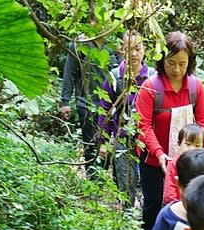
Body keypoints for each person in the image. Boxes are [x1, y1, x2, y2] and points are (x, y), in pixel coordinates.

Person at [135, 31, 204, 230]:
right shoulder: (150, 88)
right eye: (171, 63)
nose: (176, 69)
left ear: (190, 62)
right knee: (153, 201)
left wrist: (202, 152)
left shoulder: (196, 87)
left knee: (184, 201)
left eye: (182, 63)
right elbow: (143, 125)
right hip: (153, 159)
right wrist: (159, 154)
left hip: (187, 158)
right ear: (162, 60)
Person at [97, 30, 154, 206]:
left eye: (138, 48)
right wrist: (103, 141)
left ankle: (148, 222)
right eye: (130, 49)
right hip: (122, 138)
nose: (134, 54)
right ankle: (127, 220)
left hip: (149, 140)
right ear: (122, 50)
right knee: (125, 182)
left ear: (144, 48)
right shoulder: (115, 77)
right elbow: (105, 110)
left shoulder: (152, 77)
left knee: (148, 184)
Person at [60, 34, 119, 172]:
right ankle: (93, 185)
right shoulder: (81, 44)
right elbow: (69, 73)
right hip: (86, 104)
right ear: (92, 21)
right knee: (91, 148)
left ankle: (104, 183)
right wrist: (65, 101)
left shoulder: (113, 44)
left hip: (110, 107)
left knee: (108, 148)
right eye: (98, 20)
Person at [162, 123, 204, 205]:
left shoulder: (203, 164)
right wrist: (174, 205)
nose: (192, 149)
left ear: (203, 147)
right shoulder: (174, 163)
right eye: (188, 144)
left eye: (197, 145)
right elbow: (170, 188)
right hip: (175, 205)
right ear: (179, 143)